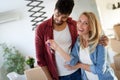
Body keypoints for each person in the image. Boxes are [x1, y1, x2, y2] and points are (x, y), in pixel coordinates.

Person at [35, 0, 108, 79]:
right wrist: (49, 78)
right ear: (54, 9)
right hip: (58, 75)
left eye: (64, 17)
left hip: (79, 72)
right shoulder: (41, 29)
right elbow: (40, 58)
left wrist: (105, 39)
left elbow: (91, 32)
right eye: (57, 14)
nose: (59, 19)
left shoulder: (74, 25)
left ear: (69, 15)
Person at [46, 12, 118, 80]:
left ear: (91, 27)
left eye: (85, 23)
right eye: (79, 21)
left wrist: (80, 65)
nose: (80, 25)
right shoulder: (78, 41)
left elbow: (100, 70)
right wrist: (57, 48)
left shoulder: (100, 42)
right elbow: (73, 61)